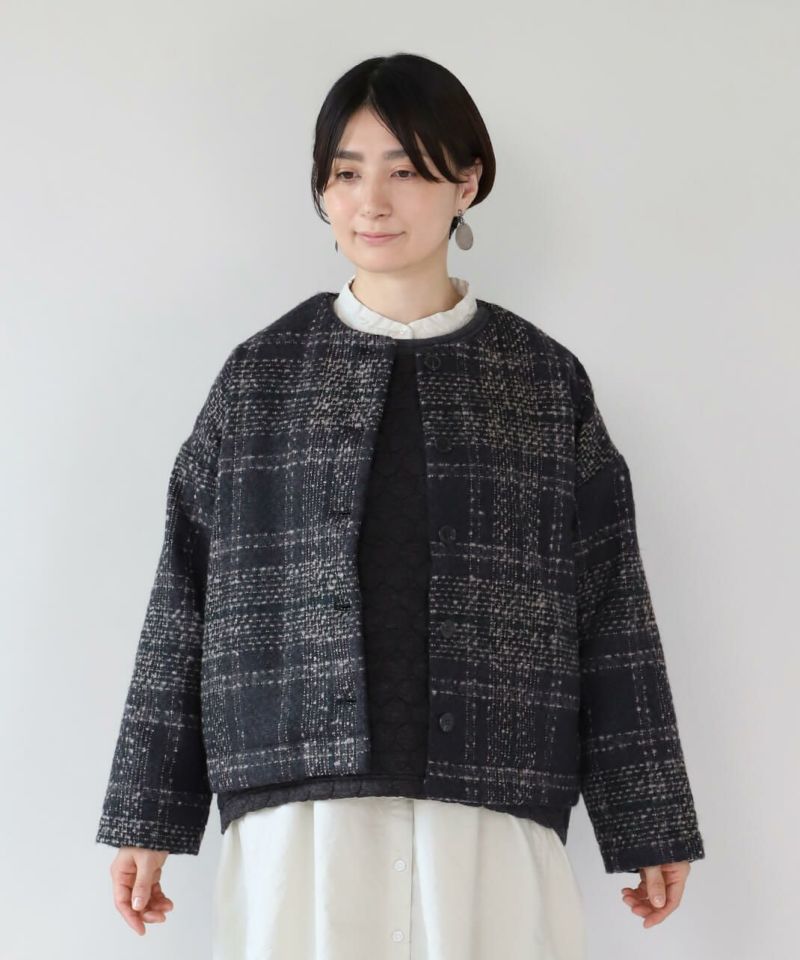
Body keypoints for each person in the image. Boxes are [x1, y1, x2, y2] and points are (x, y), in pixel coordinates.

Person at [96, 53, 705, 958]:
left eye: (406, 171)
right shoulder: (262, 375)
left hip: (492, 810)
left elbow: (610, 601)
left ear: (467, 183)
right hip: (299, 817)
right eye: (345, 173)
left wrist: (647, 815)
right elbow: (187, 592)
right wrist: (149, 813)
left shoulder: (541, 381)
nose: (371, 202)